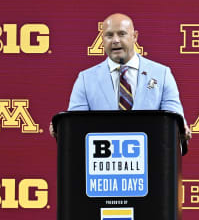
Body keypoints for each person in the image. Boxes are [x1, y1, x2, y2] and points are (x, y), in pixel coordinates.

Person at [50, 13, 191, 140]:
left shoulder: (162, 74)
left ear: (134, 36)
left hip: (152, 159)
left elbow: (174, 119)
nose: (115, 40)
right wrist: (63, 130)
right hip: (102, 161)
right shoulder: (86, 79)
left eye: (122, 34)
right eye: (109, 35)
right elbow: (76, 126)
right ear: (102, 39)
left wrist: (181, 128)